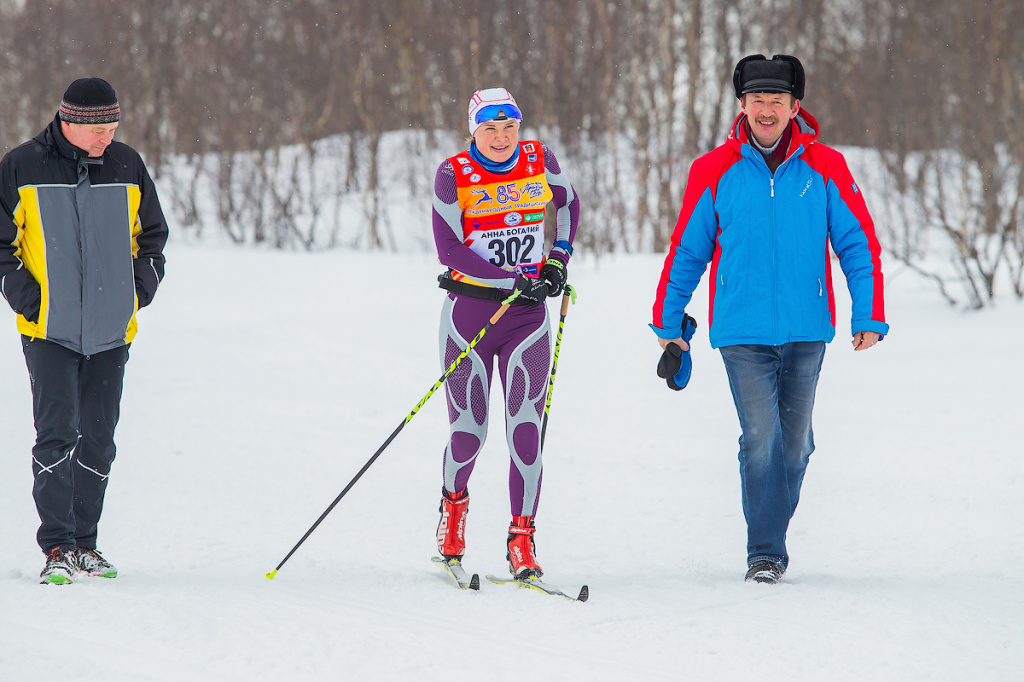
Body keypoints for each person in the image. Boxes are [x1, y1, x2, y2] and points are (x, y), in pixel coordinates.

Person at [650, 55, 889, 584]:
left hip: (808, 328)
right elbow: (687, 251)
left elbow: (857, 242)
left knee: (796, 442)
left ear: (794, 108)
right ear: (742, 106)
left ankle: (769, 532)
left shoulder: (826, 167)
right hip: (741, 331)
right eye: (756, 100)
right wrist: (668, 320)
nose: (766, 109)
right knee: (761, 437)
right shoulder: (712, 170)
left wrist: (867, 311)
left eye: (776, 101)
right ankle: (766, 550)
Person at [0, 78, 169, 585]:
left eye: (114, 128)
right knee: (57, 436)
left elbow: (153, 237)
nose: (108, 139)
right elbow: (1, 246)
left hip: (111, 332)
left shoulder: (128, 165)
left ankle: (87, 544)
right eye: (101, 130)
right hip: (48, 331)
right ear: (69, 123)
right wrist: (30, 299)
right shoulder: (21, 166)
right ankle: (57, 545)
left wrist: (137, 292)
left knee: (98, 438)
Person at [432, 87, 579, 579]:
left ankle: (522, 539)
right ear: (473, 129)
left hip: (527, 321)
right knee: (468, 435)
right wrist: (511, 279)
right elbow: (450, 250)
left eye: (509, 127)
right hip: (470, 321)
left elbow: (570, 205)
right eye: (489, 128)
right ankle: (453, 511)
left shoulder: (539, 158)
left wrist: (558, 258)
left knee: (526, 435)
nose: (501, 137)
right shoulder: (453, 174)